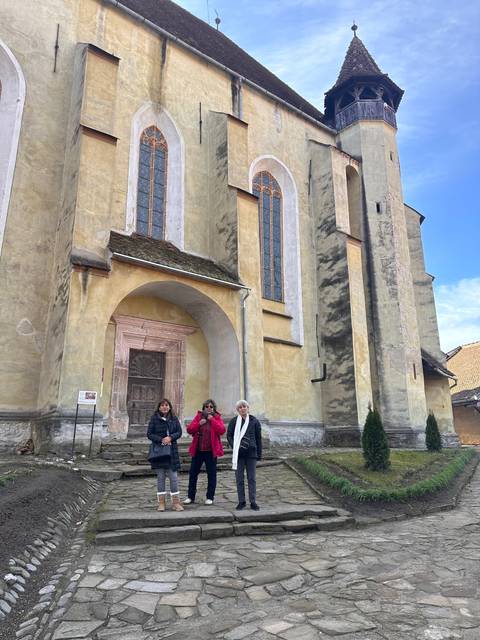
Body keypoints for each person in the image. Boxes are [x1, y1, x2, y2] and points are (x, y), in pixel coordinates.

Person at [184, 399, 225, 505]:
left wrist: (212, 420)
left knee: (211, 475)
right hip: (198, 451)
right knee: (193, 474)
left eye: (211, 407)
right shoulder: (199, 417)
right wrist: (198, 423)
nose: (209, 408)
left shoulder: (216, 417)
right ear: (204, 408)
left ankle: (210, 497)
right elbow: (189, 430)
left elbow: (221, 430)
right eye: (207, 406)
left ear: (214, 408)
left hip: (211, 452)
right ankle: (190, 496)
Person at [147, 399, 184, 512]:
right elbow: (149, 434)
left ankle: (176, 503)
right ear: (159, 407)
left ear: (169, 407)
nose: (164, 407)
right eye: (162, 405)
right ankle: (161, 503)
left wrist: (170, 438)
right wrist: (162, 440)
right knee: (161, 478)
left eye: (166, 405)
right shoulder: (154, 419)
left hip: (171, 452)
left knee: (173, 478)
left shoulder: (174, 418)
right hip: (159, 452)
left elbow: (179, 432)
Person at [227, 400, 262, 511]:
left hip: (251, 454)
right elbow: (229, 436)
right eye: (240, 407)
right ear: (238, 410)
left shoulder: (254, 421)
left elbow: (258, 438)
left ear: (248, 408)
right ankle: (241, 501)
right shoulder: (233, 421)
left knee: (252, 478)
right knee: (239, 479)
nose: (243, 408)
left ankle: (253, 502)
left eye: (244, 406)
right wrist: (235, 446)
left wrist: (259, 453)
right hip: (239, 454)